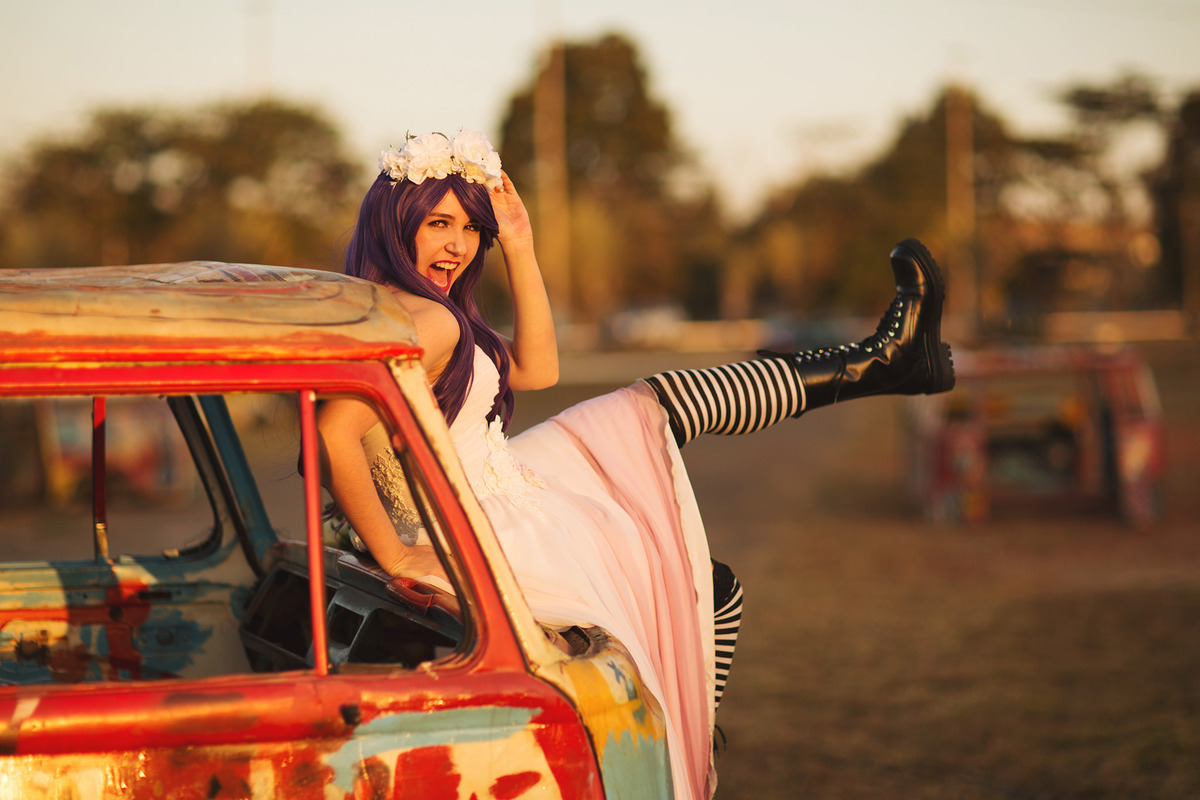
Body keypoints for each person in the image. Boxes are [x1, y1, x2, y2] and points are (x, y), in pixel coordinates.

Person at [316, 130, 955, 799]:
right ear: (395, 219)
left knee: (659, 441)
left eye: (473, 228)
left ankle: (885, 362)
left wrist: (522, 246)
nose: (459, 245)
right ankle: (882, 363)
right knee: (674, 492)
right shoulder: (428, 323)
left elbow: (539, 367)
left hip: (490, 489)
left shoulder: (388, 310)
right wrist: (395, 554)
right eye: (438, 223)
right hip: (479, 522)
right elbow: (337, 433)